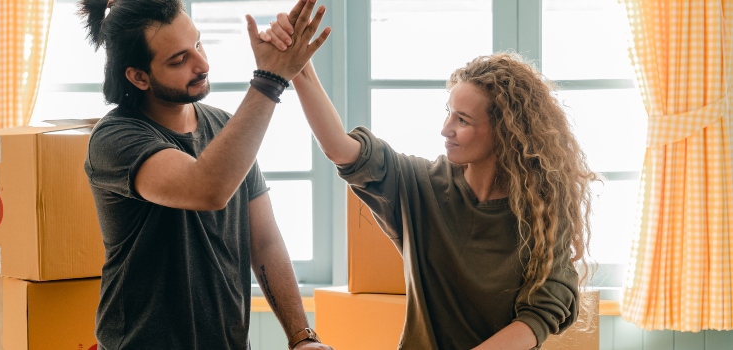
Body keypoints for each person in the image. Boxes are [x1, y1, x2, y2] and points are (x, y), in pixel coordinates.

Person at [262, 12, 597, 350]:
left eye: (462, 120)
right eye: (448, 111)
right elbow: (341, 149)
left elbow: (538, 317)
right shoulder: (420, 185)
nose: (445, 128)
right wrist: (300, 69)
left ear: (505, 133)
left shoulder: (541, 211)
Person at [78, 0, 334, 348]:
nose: (203, 63)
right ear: (138, 76)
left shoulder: (225, 127)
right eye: (178, 60)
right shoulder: (115, 139)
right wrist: (271, 78)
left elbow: (265, 240)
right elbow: (206, 189)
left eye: (197, 44)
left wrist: (302, 337)